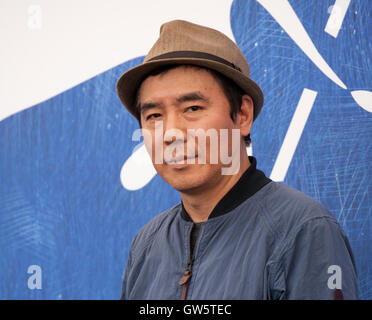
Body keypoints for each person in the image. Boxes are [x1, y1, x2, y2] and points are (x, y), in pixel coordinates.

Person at [116, 20, 358, 299]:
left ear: (242, 114)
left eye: (192, 108)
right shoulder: (147, 244)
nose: (171, 133)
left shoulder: (303, 230)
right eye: (154, 116)